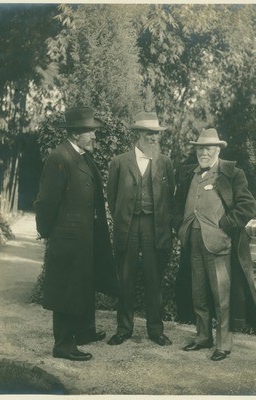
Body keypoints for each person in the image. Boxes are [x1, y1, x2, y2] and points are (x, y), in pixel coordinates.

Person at [34, 106, 119, 361]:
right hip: (68, 238)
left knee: (83, 283)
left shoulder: (81, 156)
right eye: (91, 131)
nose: (95, 136)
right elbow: (46, 201)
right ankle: (63, 345)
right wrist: (48, 232)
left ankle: (83, 332)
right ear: (76, 133)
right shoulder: (60, 157)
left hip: (85, 237)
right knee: (67, 288)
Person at [173, 128, 256, 361]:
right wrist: (179, 226)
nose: (203, 152)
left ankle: (223, 343)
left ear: (218, 149)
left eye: (209, 147)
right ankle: (203, 337)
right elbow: (177, 205)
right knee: (198, 294)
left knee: (221, 295)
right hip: (193, 243)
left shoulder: (231, 173)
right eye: (200, 147)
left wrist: (226, 225)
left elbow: (248, 206)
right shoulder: (188, 174)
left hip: (218, 244)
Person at [106, 111, 175, 346]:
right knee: (125, 277)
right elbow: (112, 197)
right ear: (138, 135)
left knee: (153, 279)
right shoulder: (119, 162)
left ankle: (156, 330)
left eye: (156, 134)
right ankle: (124, 328)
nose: (154, 138)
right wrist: (125, 216)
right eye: (149, 133)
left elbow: (170, 198)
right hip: (128, 225)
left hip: (154, 227)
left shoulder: (165, 163)